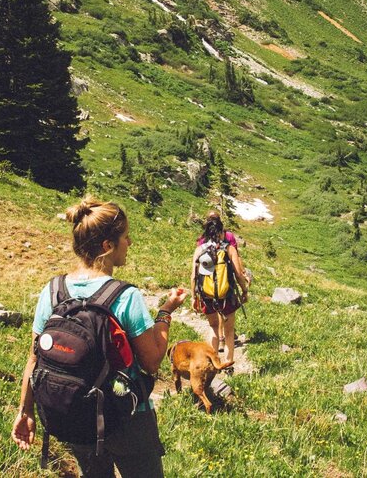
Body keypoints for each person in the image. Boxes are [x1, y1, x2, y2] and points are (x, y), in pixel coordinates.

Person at [12, 197, 187, 478]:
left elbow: (34, 358)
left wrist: (25, 411)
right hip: (126, 418)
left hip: (75, 415)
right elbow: (152, 361)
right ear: (108, 246)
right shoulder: (125, 296)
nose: (129, 243)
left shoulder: (54, 290)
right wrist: (166, 312)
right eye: (125, 237)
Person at [190, 214, 249, 366]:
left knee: (213, 327)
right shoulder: (229, 249)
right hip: (226, 295)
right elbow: (238, 274)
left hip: (206, 295)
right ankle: (228, 365)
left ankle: (211, 364)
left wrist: (193, 297)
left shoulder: (199, 250)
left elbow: (193, 276)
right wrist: (244, 290)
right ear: (222, 232)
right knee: (229, 332)